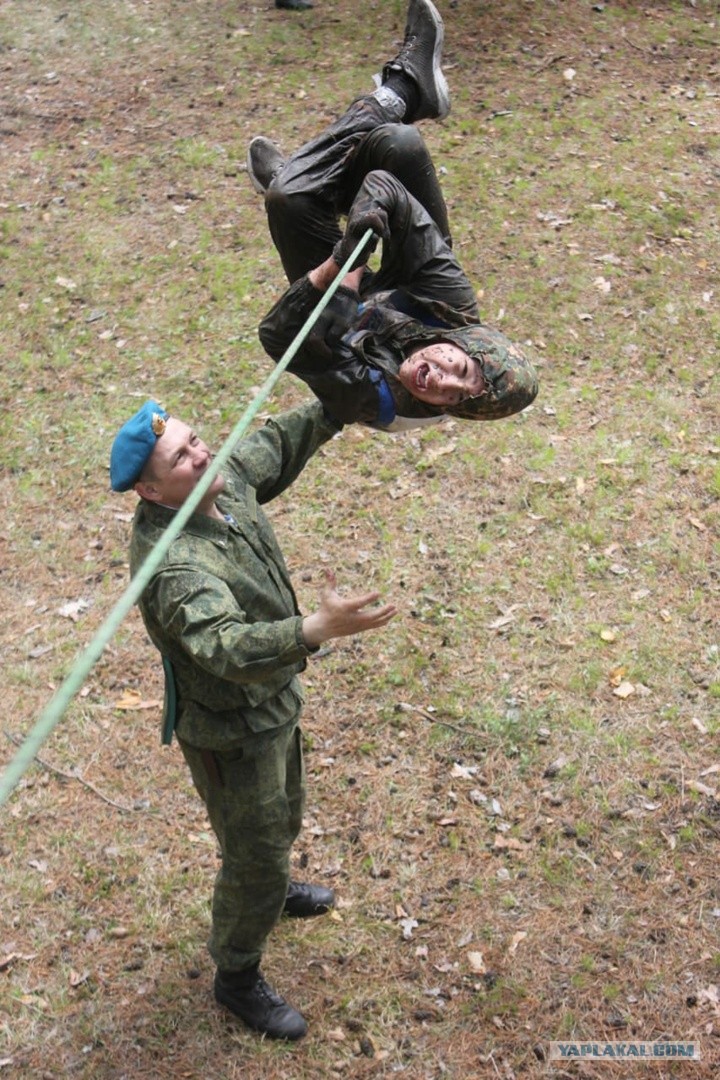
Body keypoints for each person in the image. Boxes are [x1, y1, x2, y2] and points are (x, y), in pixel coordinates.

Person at [109, 399, 396, 1040]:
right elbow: (228, 648)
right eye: (181, 457)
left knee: (281, 816)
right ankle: (237, 975)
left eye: (195, 439)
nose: (201, 454)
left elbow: (275, 446)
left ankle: (274, 884)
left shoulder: (217, 483)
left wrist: (339, 406)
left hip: (271, 703)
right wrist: (312, 629)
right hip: (232, 731)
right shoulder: (177, 569)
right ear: (150, 490)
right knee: (253, 852)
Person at [249, 0, 539, 433]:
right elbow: (384, 185)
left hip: (336, 325)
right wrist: (354, 267)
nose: (441, 381)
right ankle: (331, 158)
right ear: (459, 341)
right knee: (399, 144)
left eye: (454, 398)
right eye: (459, 368)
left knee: (286, 198)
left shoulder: (366, 394)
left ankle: (394, 96)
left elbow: (276, 335)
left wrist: (337, 272)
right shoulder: (451, 305)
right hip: (405, 283)